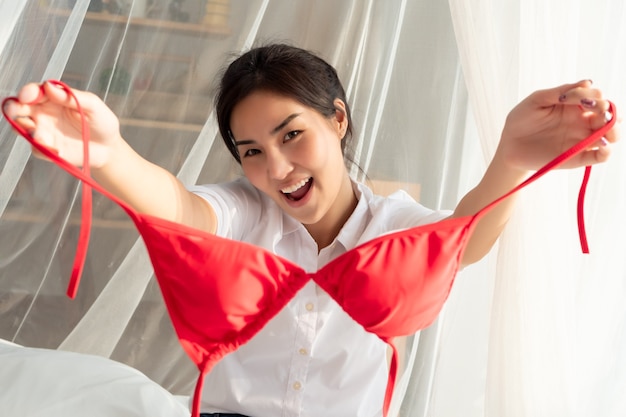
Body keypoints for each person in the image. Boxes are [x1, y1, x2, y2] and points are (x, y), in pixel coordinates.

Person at [4, 43, 620, 417]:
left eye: (292, 135)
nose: (276, 169)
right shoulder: (246, 210)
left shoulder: (395, 224)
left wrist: (511, 158)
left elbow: (467, 238)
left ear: (338, 120)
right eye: (250, 151)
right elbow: (180, 210)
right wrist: (109, 155)